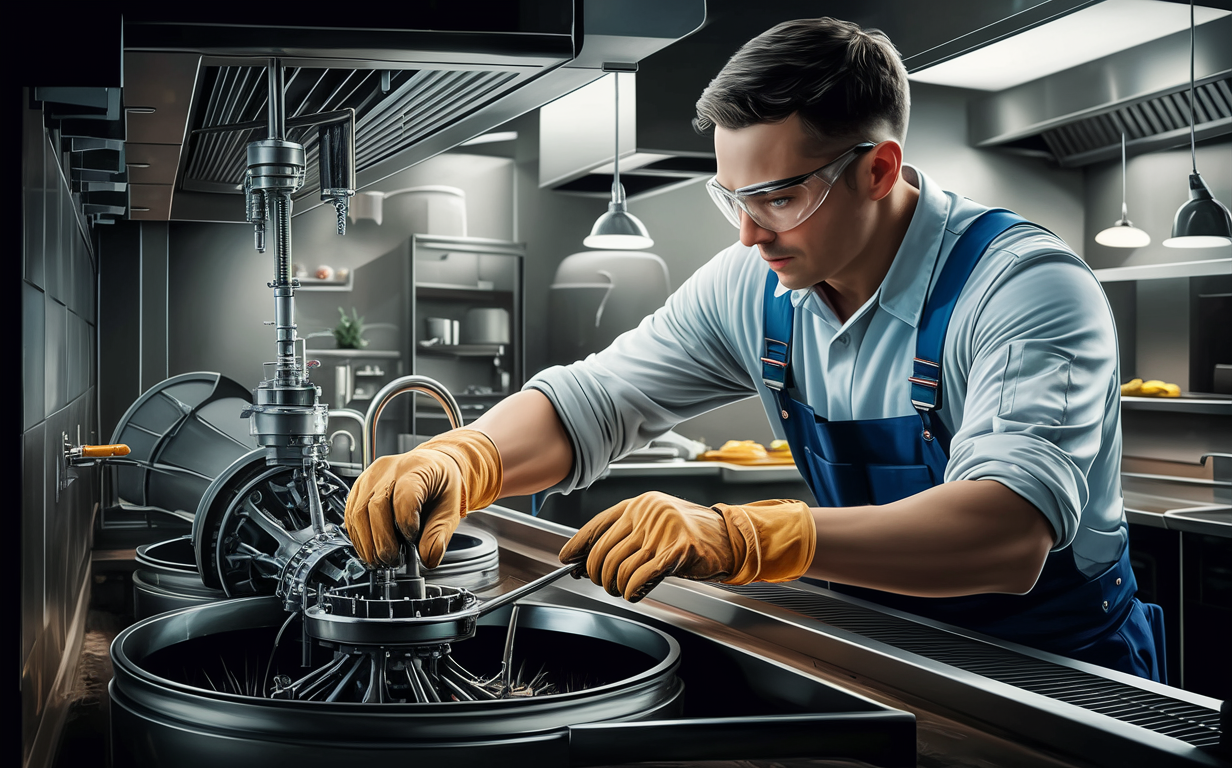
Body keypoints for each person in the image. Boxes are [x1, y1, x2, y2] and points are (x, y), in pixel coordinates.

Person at [344, 17, 1164, 682]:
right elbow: (597, 401)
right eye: (730, 196)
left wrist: (742, 538)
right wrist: (467, 456)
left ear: (879, 170)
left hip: (1064, 674)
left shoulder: (1026, 288)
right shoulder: (757, 282)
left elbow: (1005, 534)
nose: (746, 232)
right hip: (879, 644)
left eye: (778, 196)